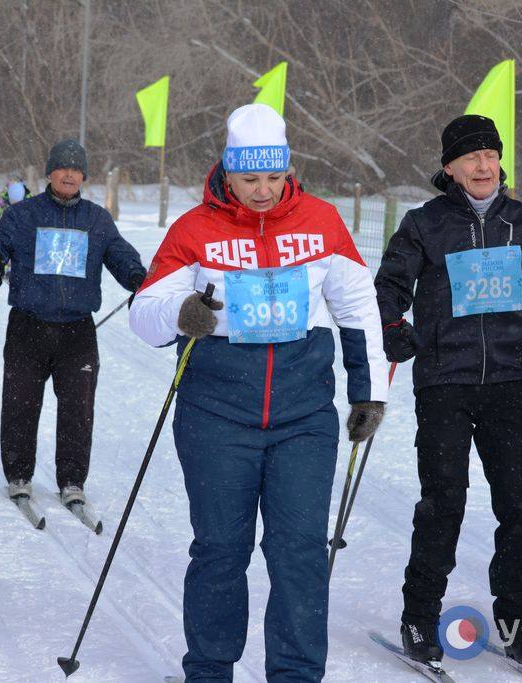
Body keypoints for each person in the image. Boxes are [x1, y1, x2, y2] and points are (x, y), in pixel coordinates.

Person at [129, 103, 389, 682]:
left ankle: (296, 674)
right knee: (221, 550)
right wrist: (183, 312)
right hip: (215, 418)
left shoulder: (321, 223)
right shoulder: (195, 230)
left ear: (288, 168)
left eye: (274, 177)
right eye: (250, 179)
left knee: (299, 553)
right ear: (228, 170)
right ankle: (209, 671)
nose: (264, 190)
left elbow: (358, 308)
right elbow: (143, 314)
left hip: (303, 420)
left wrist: (369, 390)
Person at [374, 114, 522, 669]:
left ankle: (518, 623)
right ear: (449, 168)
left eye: (490, 155)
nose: (482, 165)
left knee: (521, 509)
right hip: (444, 383)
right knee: (443, 503)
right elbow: (388, 287)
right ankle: (419, 619)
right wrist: (393, 327)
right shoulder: (424, 225)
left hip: (509, 383)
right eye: (470, 156)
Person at [0, 139, 147, 512]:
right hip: (28, 326)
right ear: (50, 172)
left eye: (76, 168)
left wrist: (136, 277)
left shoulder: (96, 219)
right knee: (20, 403)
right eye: (61, 167)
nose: (68, 174)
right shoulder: (24, 215)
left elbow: (119, 254)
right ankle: (19, 474)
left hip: (76, 330)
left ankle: (72, 480)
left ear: (83, 175)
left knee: (78, 408)